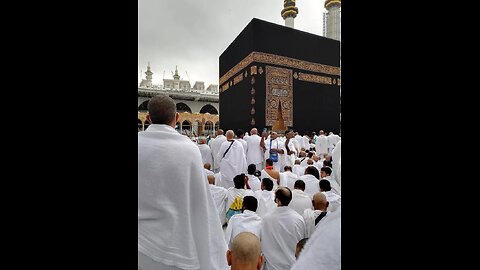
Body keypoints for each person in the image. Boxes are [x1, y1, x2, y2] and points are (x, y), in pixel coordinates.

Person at [138, 94, 228, 270]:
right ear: (177, 117)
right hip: (175, 248)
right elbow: (200, 204)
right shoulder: (188, 150)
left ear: (148, 118)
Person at [261, 187, 306, 270]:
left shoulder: (266, 219)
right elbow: (301, 243)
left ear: (277, 200)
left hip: (271, 266)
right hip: (292, 265)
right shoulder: (298, 219)